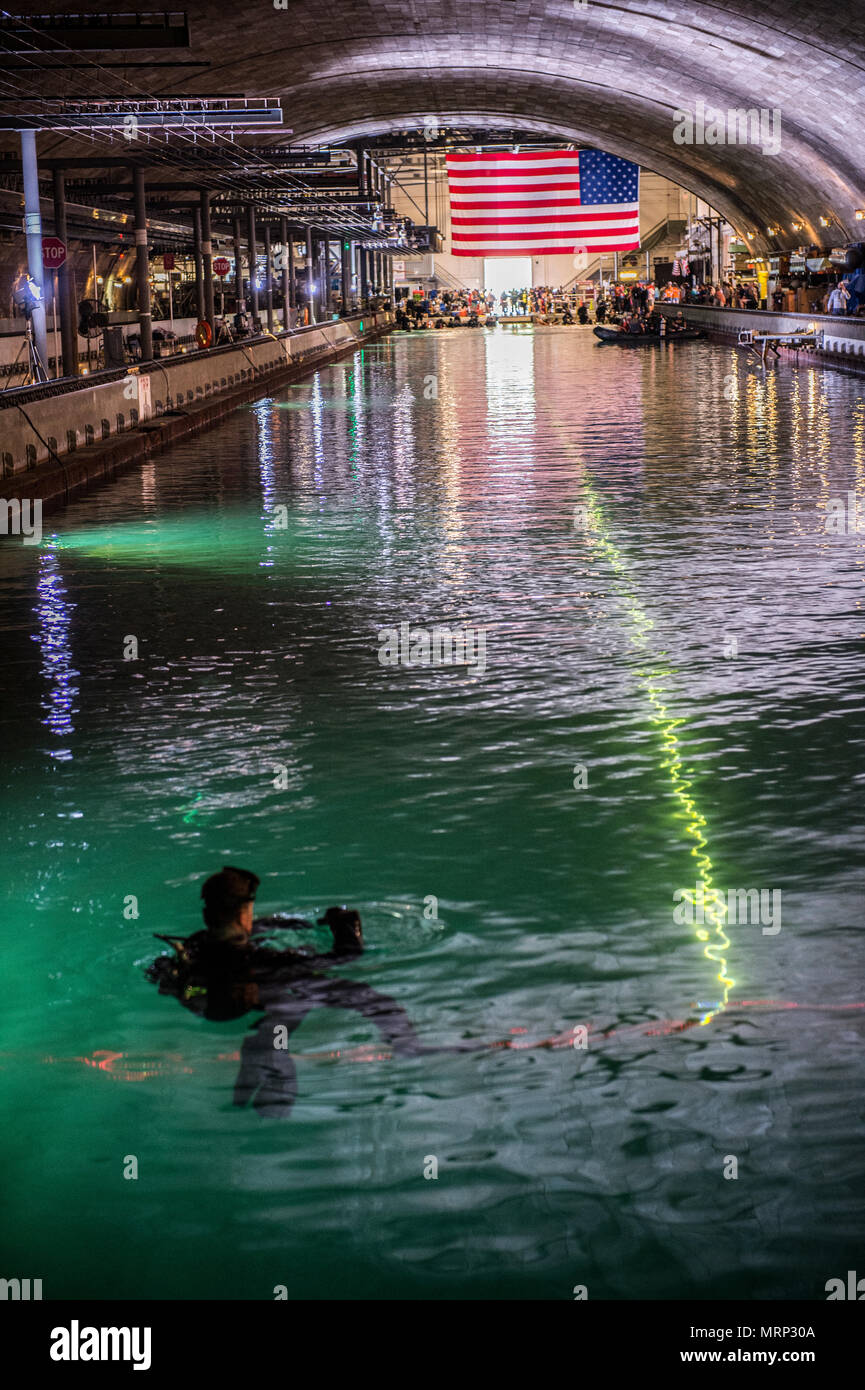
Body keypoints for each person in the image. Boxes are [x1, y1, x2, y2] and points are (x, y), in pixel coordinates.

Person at [147, 867, 462, 1117]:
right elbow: (344, 958)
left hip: (210, 1001)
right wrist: (346, 929)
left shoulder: (195, 945)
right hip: (262, 993)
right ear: (244, 914)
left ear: (207, 914)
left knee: (281, 1012)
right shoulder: (260, 958)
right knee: (358, 995)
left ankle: (252, 1081)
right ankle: (409, 1047)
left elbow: (164, 973)